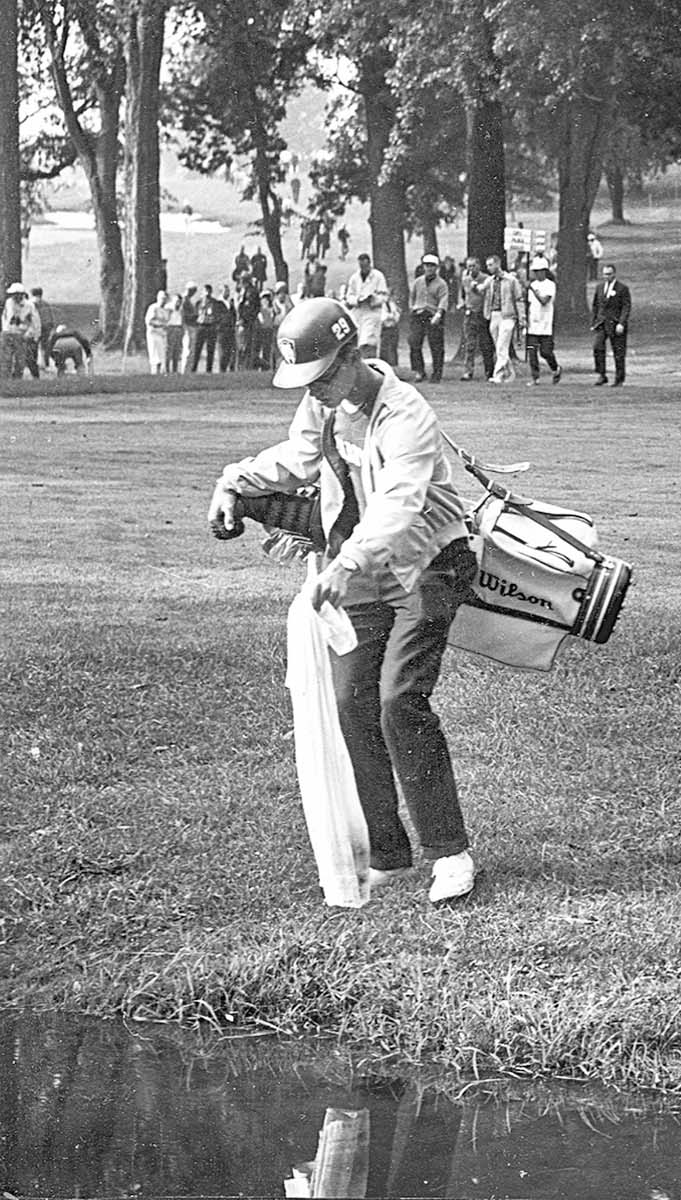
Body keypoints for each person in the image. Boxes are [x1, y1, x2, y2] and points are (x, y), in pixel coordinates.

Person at [206, 297, 480, 905]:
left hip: (428, 562)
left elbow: (398, 508)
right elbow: (296, 459)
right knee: (352, 702)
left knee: (398, 700)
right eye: (307, 382)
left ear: (352, 355)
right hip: (362, 568)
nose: (317, 392)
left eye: (323, 377)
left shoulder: (406, 412)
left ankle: (450, 853)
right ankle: (388, 852)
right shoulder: (322, 404)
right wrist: (234, 477)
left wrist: (346, 562)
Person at [406, 254, 450, 383]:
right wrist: (413, 308)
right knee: (414, 342)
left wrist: (439, 314)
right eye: (427, 265)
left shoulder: (441, 284)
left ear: (436, 268)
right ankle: (419, 371)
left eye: (432, 266)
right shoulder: (418, 281)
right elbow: (412, 297)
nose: (429, 268)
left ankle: (437, 373)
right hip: (418, 314)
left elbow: (443, 300)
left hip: (433, 314)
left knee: (436, 345)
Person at [481, 255, 523, 384]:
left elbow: (518, 299)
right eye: (487, 265)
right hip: (494, 314)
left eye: (490, 265)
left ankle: (498, 375)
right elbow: (481, 289)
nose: (488, 268)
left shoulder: (511, 280)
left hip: (508, 315)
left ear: (497, 264)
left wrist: (522, 317)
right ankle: (510, 373)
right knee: (499, 346)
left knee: (501, 345)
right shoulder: (490, 280)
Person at [590, 262, 631, 386]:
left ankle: (619, 378)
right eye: (604, 274)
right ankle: (602, 374)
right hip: (602, 323)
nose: (606, 276)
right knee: (597, 347)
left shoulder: (622, 288)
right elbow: (595, 305)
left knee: (618, 352)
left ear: (614, 274)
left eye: (609, 274)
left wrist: (621, 323)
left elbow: (626, 306)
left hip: (616, 323)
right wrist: (594, 322)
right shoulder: (600, 288)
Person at [340, 253, 389, 356]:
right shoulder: (354, 278)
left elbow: (384, 295)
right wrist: (357, 300)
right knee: (357, 339)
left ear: (369, 264)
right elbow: (350, 296)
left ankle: (370, 362)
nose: (363, 268)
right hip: (358, 312)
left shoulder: (378, 276)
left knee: (369, 340)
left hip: (372, 311)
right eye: (361, 266)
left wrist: (372, 299)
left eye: (365, 266)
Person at [524, 255, 560, 384]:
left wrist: (533, 289)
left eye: (539, 271)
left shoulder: (550, 285)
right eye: (535, 271)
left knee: (545, 352)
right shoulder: (532, 285)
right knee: (532, 352)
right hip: (533, 323)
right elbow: (529, 304)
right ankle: (535, 377)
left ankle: (555, 368)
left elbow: (544, 301)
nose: (537, 274)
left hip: (545, 323)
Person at [458, 258, 493, 382]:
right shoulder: (465, 280)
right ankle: (468, 371)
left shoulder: (486, 279)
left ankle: (489, 372)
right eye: (469, 266)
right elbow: (463, 295)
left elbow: (488, 296)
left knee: (485, 344)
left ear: (479, 266)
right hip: (469, 314)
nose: (471, 269)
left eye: (473, 266)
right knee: (469, 344)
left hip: (482, 314)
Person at [1, 282, 39, 378]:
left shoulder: (29, 305)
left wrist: (32, 334)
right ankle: (5, 379)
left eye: (16, 294)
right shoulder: (9, 302)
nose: (14, 296)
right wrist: (5, 329)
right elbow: (5, 316)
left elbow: (35, 322)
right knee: (6, 358)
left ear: (21, 294)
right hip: (8, 333)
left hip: (21, 335)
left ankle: (17, 378)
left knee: (20, 359)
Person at [143, 289, 173, 374]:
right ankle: (154, 373)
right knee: (155, 356)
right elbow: (149, 321)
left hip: (162, 334)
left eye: (165, 299)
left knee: (162, 355)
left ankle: (161, 373)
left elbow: (167, 321)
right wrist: (160, 324)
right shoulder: (153, 308)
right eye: (162, 298)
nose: (163, 300)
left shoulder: (167, 310)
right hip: (154, 334)